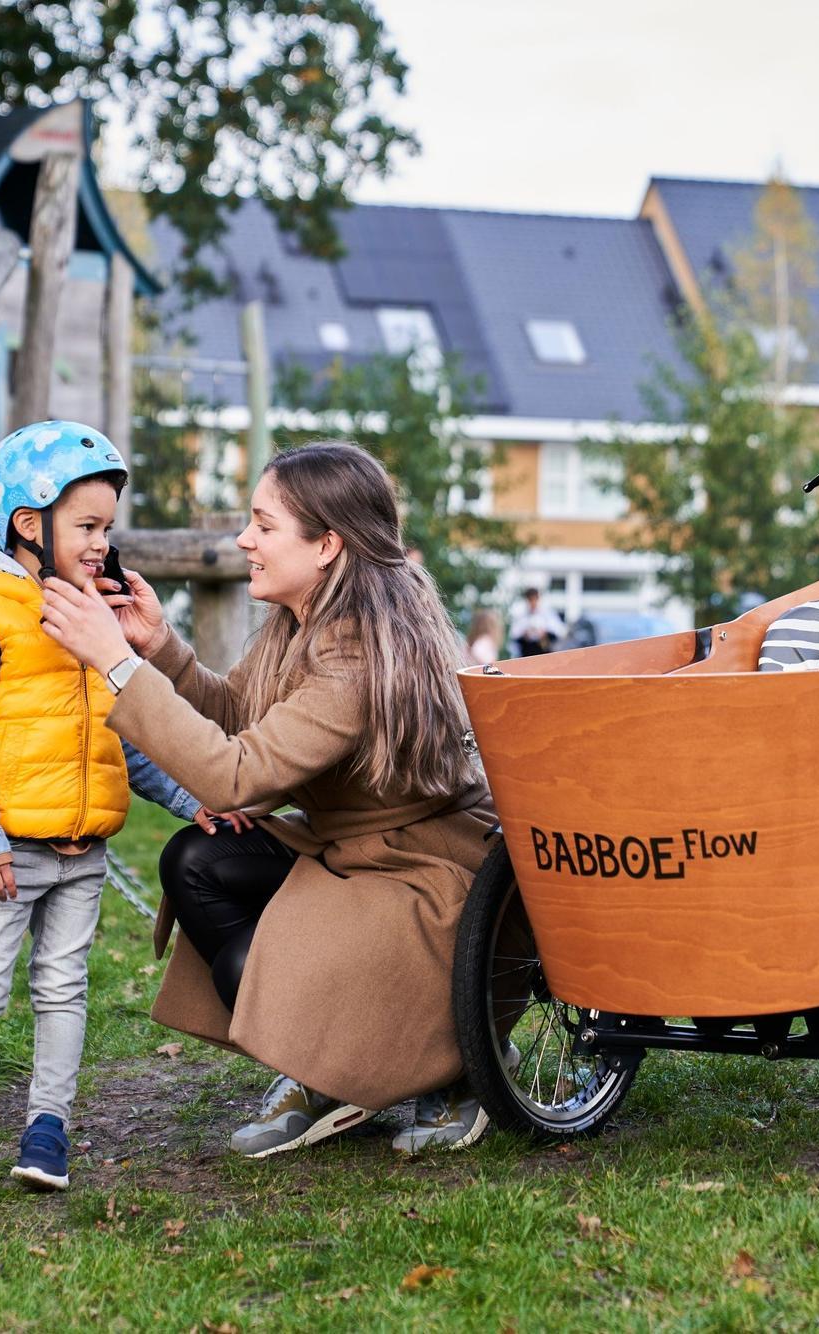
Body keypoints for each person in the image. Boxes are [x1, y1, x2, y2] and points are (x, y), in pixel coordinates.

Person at [38, 442, 502, 1158]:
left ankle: (448, 1067)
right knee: (197, 860)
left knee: (246, 968)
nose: (243, 540)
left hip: (422, 875)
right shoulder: (300, 621)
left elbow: (233, 776)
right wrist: (159, 647)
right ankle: (329, 1068)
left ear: (326, 545)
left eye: (263, 524)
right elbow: (238, 717)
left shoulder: (355, 655)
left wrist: (117, 663)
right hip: (349, 854)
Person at [0, 421, 205, 1202]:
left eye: (108, 527)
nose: (103, 542)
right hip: (9, 852)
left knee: (64, 989)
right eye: (87, 526)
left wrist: (193, 800)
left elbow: (121, 738)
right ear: (30, 526)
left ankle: (48, 1128)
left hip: (83, 852)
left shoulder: (90, 612)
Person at [509, 586, 565, 656]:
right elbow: (514, 634)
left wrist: (545, 633)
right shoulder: (521, 615)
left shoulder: (547, 613)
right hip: (527, 651)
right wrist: (525, 634)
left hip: (543, 650)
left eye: (534, 599)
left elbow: (558, 630)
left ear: (538, 598)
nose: (532, 602)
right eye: (530, 600)